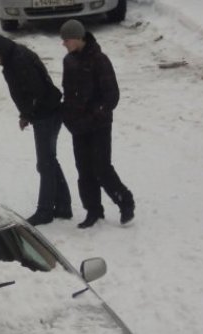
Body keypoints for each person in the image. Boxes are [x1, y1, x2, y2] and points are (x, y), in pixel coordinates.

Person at [0, 33, 73, 226]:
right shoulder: (14, 58)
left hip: (47, 114)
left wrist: (29, 113)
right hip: (45, 112)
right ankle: (63, 206)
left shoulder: (19, 61)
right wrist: (26, 114)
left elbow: (36, 92)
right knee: (49, 160)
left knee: (45, 163)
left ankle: (45, 211)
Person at [59, 19, 135, 228]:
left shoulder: (99, 60)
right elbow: (68, 93)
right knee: (84, 170)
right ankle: (93, 211)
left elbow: (112, 96)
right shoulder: (68, 62)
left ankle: (125, 202)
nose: (64, 44)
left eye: (67, 40)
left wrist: (96, 114)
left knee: (101, 167)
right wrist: (68, 115)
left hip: (98, 125)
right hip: (78, 126)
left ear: (78, 38)